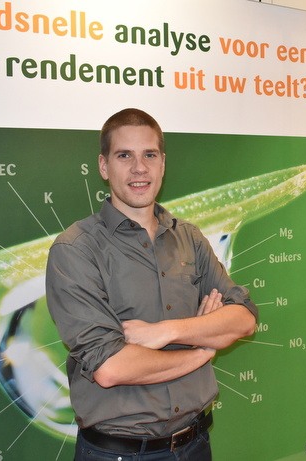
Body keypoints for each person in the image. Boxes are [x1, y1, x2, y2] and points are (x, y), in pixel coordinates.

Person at [45, 108, 258, 460]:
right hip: (120, 453)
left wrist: (167, 331)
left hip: (195, 445)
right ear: (103, 166)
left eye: (149, 155)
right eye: (124, 155)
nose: (139, 168)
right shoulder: (76, 250)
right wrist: (203, 349)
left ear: (162, 163)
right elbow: (111, 368)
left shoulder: (188, 238)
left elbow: (244, 318)